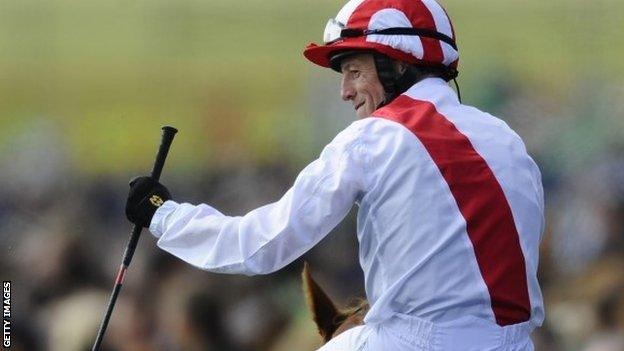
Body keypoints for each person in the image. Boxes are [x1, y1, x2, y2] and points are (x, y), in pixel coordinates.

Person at [125, 0, 545, 350]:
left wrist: (163, 215)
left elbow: (260, 245)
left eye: (354, 71)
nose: (344, 91)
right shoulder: (505, 137)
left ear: (397, 67)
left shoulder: (371, 139)